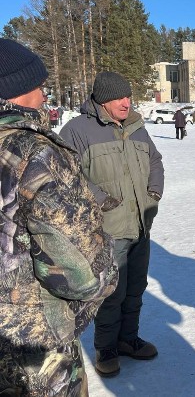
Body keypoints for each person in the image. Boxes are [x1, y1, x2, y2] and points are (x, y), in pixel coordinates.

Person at [0, 39, 118, 395]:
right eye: (40, 86)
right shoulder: (33, 153)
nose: (44, 95)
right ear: (17, 90)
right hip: (29, 351)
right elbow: (80, 273)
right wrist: (106, 273)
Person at [60, 71, 165, 378]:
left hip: (141, 224)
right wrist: (100, 199)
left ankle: (128, 339)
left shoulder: (136, 126)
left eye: (128, 96)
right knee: (110, 293)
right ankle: (106, 348)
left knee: (136, 287)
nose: (126, 102)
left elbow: (155, 161)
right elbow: (67, 174)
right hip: (106, 230)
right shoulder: (77, 130)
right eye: (119, 98)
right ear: (102, 100)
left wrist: (154, 192)